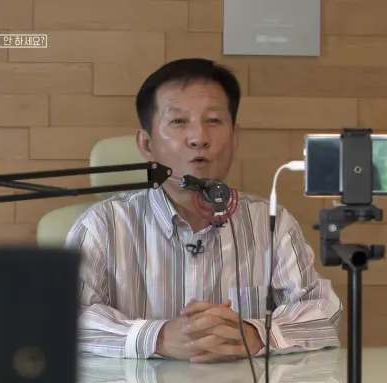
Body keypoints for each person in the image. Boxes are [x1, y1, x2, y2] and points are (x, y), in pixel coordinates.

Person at [66, 58, 340, 363]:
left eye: (213, 121)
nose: (199, 138)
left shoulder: (271, 222)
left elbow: (322, 312)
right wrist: (158, 337)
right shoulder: (103, 224)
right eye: (178, 122)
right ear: (146, 144)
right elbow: (63, 317)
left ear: (235, 137)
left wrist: (256, 334)